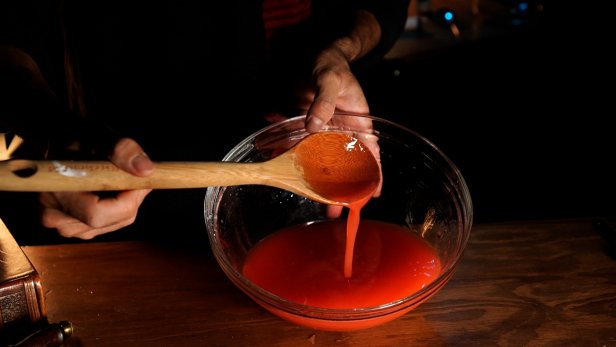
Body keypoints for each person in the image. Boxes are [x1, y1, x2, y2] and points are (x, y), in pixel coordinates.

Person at [0, 0, 410, 243]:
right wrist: (53, 129)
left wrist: (340, 50)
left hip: (306, 143)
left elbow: (381, 5)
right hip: (136, 202)